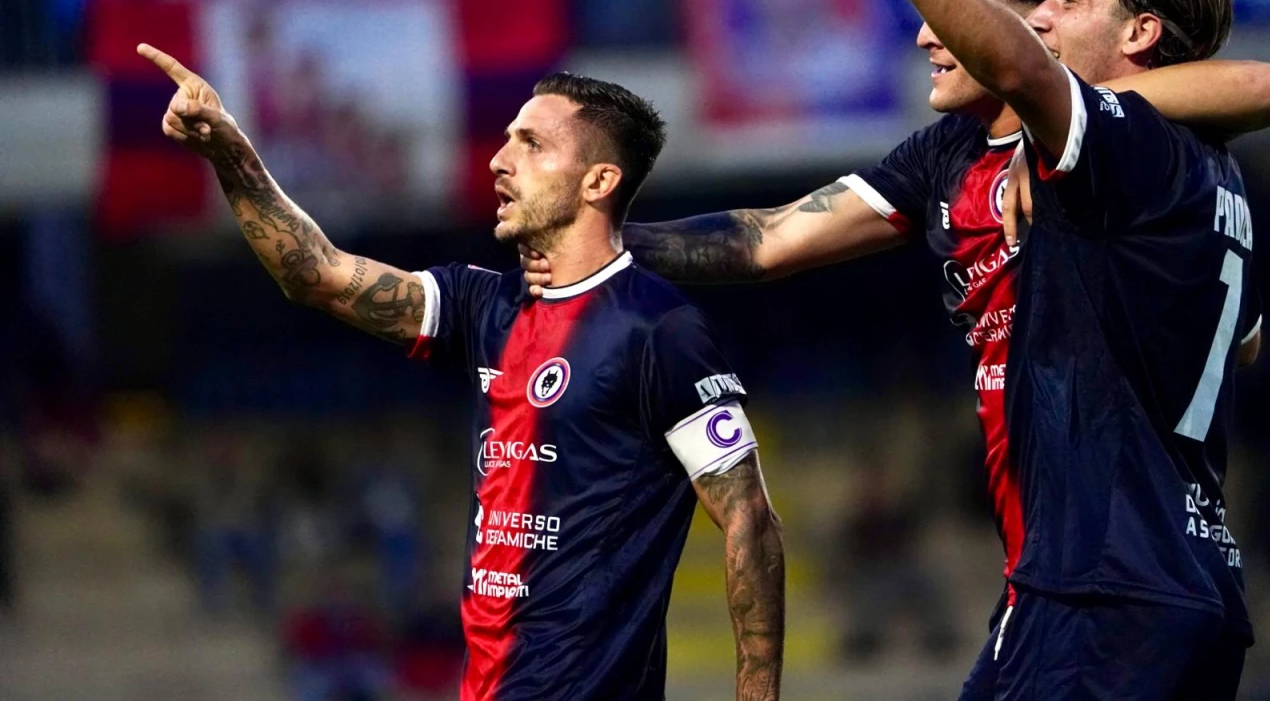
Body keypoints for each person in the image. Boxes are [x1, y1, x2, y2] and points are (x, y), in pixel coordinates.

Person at [521, 0, 1270, 637]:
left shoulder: (1118, 153)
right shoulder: (953, 154)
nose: (924, 34)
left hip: (1112, 574)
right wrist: (596, 243)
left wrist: (1070, 130)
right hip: (1081, 569)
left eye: (951, 11)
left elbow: (1262, 85)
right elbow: (769, 237)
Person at [136, 44, 785, 701]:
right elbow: (318, 274)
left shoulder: (659, 330)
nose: (500, 160)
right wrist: (231, 154)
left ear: (598, 182)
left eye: (532, 144)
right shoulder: (484, 305)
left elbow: (749, 519)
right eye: (507, 139)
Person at [769, 0, 1261, 696]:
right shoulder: (1214, 177)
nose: (1042, 19)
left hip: (1102, 585)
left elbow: (1027, 71)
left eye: (1067, 0)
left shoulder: (1125, 150)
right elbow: (1244, 340)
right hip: (1182, 575)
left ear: (1140, 32)